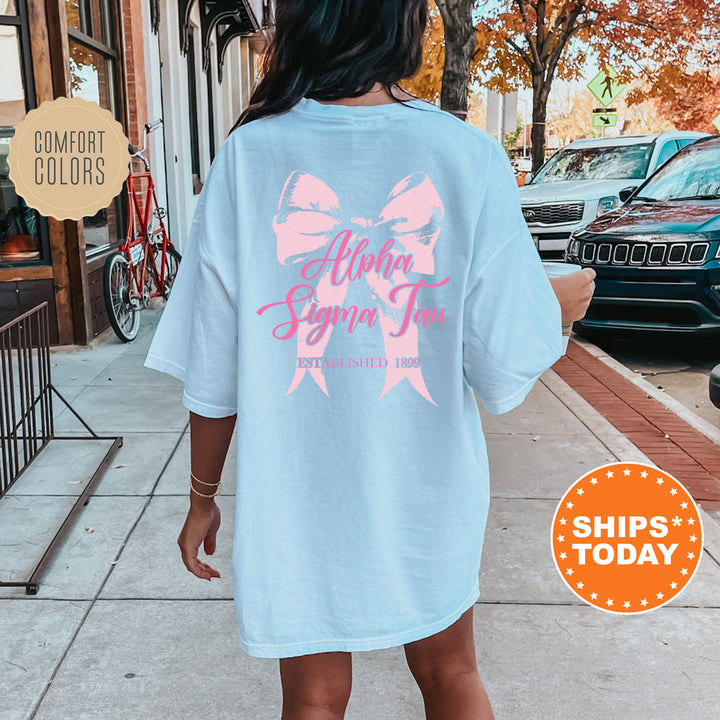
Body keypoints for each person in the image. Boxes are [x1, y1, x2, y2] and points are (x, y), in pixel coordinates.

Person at [144, 1, 596, 718]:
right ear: (405, 23)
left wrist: (202, 497)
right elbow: (503, 355)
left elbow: (213, 362)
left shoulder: (249, 156)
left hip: (298, 488)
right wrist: (560, 306)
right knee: (451, 673)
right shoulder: (466, 155)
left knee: (315, 698)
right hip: (427, 482)